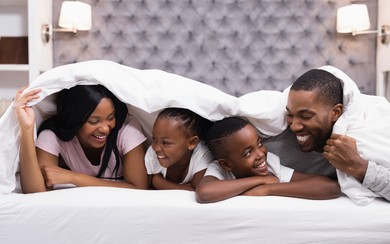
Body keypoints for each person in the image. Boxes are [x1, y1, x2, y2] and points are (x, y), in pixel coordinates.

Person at [14, 84, 148, 193]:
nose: (105, 128)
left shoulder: (126, 128)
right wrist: (26, 129)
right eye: (94, 121)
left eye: (110, 118)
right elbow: (36, 191)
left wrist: (73, 177)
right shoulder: (53, 135)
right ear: (75, 120)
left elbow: (139, 188)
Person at [286, 68, 390, 203]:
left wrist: (358, 166)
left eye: (306, 116)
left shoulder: (366, 133)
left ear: (336, 112)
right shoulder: (275, 135)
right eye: (289, 115)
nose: (294, 126)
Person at [195, 116, 340, 203]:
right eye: (247, 153)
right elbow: (204, 193)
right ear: (226, 164)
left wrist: (268, 189)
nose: (260, 154)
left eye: (259, 144)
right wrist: (260, 180)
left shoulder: (270, 164)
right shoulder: (220, 170)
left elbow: (330, 187)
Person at [145, 107, 214, 191]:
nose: (156, 148)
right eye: (154, 139)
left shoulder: (202, 154)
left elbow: (197, 189)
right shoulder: (153, 153)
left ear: (192, 142)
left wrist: (158, 182)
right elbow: (146, 188)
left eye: (166, 143)